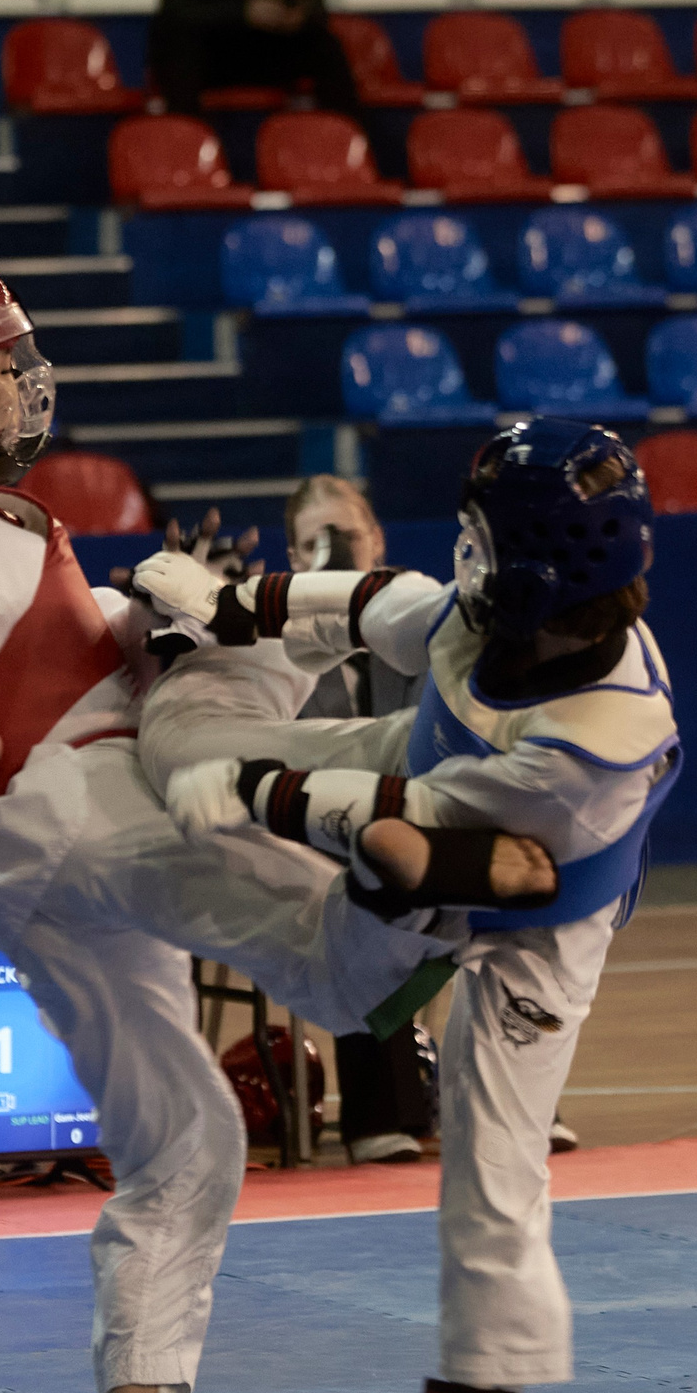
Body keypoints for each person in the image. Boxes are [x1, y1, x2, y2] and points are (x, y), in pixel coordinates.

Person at [0, 244, 548, 1393]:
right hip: (83, 814)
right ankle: (421, 870)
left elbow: (20, 662)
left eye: (8, 367)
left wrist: (148, 616)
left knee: (185, 1141)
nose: (11, 393)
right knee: (313, 940)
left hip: (28, 874)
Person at [135, 418, 680, 1393]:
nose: (465, 554)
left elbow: (417, 827)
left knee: (495, 1177)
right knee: (173, 749)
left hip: (532, 913)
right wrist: (231, 608)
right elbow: (382, 601)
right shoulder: (488, 617)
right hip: (421, 768)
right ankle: (361, 893)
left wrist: (259, 794)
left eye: (486, 540)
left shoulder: (601, 735)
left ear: (536, 568)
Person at [280, 475, 449, 1167]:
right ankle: (381, 1112)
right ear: (295, 560)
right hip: (314, 843)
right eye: (315, 542)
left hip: (423, 826)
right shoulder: (275, 645)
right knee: (366, 885)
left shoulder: (422, 621)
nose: (336, 552)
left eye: (348, 536)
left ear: (377, 541)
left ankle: (502, 1098)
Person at [151, 0, 359, 118]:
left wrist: (298, 16)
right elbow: (175, 11)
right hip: (212, 56)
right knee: (180, 46)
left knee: (325, 46)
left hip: (267, 52)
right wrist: (243, 12)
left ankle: (347, 135)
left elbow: (315, 7)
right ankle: (183, 138)